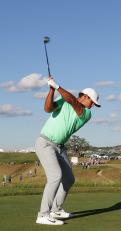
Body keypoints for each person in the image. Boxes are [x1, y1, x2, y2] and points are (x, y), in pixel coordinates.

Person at [35, 77, 100, 225]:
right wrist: (52, 90)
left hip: (60, 147)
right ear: (85, 97)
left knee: (69, 179)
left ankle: (55, 210)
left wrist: (57, 86)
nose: (93, 106)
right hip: (45, 143)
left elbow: (72, 100)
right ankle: (43, 215)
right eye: (92, 102)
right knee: (55, 176)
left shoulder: (86, 113)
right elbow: (47, 108)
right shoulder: (64, 100)